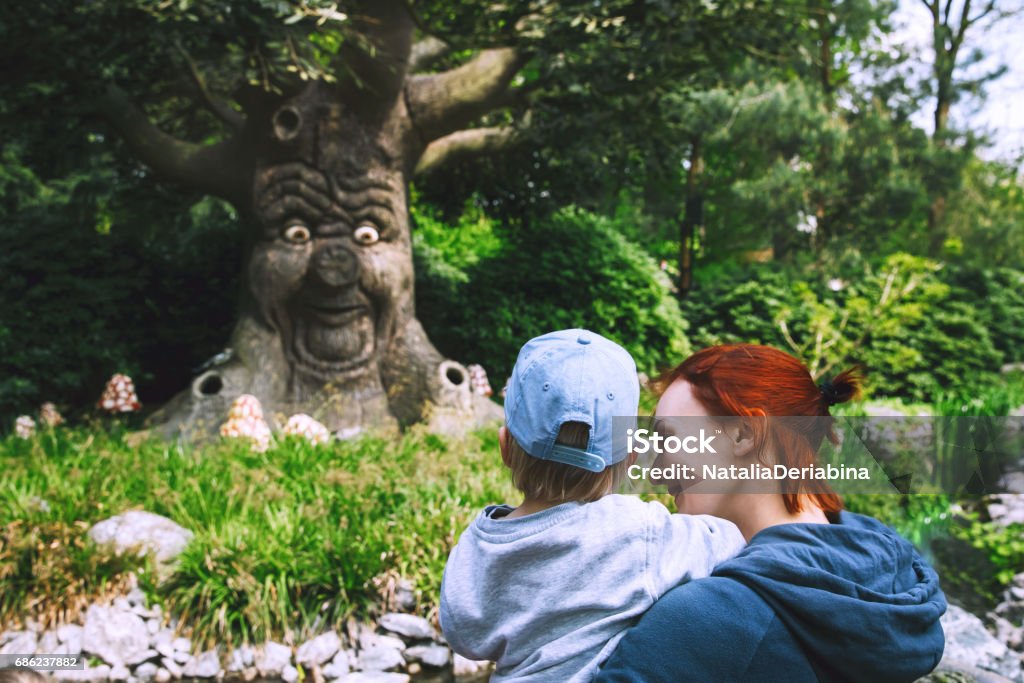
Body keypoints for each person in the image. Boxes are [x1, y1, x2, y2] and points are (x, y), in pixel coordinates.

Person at [596, 344, 947, 683]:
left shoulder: (709, 617)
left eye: (669, 439)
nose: (656, 472)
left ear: (746, 434)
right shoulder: (892, 576)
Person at [439, 329, 745, 683]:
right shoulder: (641, 533)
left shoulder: (479, 546)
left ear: (505, 446)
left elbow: (462, 634)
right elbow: (727, 541)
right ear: (630, 459)